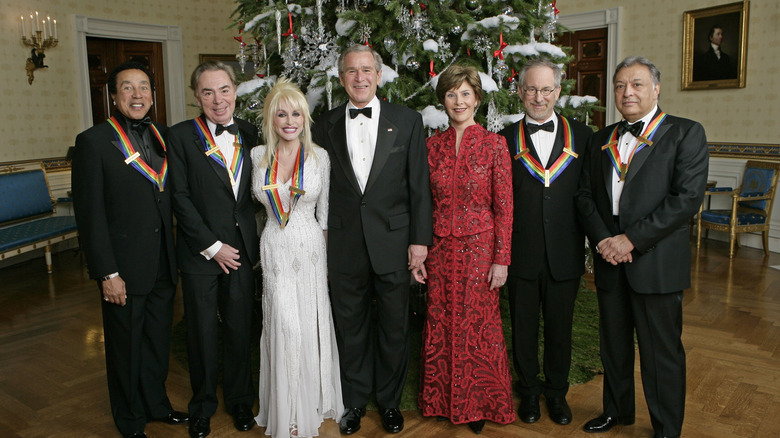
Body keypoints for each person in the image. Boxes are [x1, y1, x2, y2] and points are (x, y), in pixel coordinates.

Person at [576, 56, 708, 438]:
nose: (627, 92)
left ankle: (667, 428)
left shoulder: (685, 132)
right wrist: (603, 239)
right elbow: (585, 196)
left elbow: (685, 200)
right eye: (620, 85)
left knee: (660, 353)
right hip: (609, 260)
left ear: (656, 88)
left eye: (636, 84)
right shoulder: (602, 138)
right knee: (613, 346)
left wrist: (631, 240)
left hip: (655, 261)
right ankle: (616, 411)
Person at [312, 44, 433, 435]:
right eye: (351, 71)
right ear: (341, 77)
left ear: (379, 75)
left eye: (367, 70)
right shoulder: (323, 123)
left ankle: (390, 403)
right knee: (350, 327)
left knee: (395, 326)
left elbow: (419, 186)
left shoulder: (408, 120)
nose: (359, 78)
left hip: (395, 243)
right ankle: (354, 401)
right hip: (344, 244)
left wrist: (419, 241)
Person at [72, 61, 188, 438]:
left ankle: (156, 404)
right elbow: (90, 216)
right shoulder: (92, 141)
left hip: (162, 264)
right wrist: (107, 273)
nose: (137, 95)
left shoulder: (164, 135)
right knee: (125, 348)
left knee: (156, 342)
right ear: (112, 96)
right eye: (127, 88)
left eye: (143, 87)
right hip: (122, 267)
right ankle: (129, 419)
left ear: (153, 95)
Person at [418, 64, 515, 435]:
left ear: (477, 98)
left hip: (480, 251)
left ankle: (478, 404)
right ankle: (442, 401)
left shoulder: (494, 145)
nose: (458, 101)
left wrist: (501, 259)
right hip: (440, 250)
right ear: (443, 100)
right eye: (451, 94)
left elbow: (504, 208)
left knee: (479, 327)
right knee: (441, 322)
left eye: (465, 93)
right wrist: (422, 251)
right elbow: (423, 204)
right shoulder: (432, 146)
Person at [498, 58, 593, 426]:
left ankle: (556, 393)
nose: (539, 97)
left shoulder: (584, 138)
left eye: (546, 89)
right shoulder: (504, 140)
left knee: (560, 328)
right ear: (520, 92)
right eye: (532, 89)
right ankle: (530, 393)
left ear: (559, 91)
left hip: (565, 253)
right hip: (520, 253)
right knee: (522, 329)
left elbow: (589, 196)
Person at [167, 61, 259, 438]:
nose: (217, 100)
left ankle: (240, 401)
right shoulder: (179, 136)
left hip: (242, 252)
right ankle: (202, 405)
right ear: (196, 97)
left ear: (235, 91)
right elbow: (180, 198)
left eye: (223, 90)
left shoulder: (253, 133)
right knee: (202, 333)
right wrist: (212, 246)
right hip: (200, 254)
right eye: (208, 92)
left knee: (241, 329)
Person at [250, 78, 344, 437]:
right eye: (281, 114)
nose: (289, 121)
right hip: (274, 244)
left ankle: (311, 401)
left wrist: (327, 262)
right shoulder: (259, 156)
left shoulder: (319, 157)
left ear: (305, 118)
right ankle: (285, 405)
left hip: (309, 248)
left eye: (296, 114)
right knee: (282, 323)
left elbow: (325, 214)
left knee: (307, 323)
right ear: (271, 119)